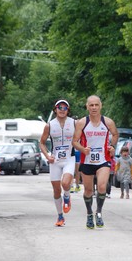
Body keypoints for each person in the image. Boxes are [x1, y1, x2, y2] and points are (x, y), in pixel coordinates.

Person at [73, 95, 118, 228]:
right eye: (91, 105)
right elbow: (74, 141)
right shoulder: (82, 123)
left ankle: (98, 212)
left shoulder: (108, 122)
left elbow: (115, 134)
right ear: (87, 106)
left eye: (96, 105)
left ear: (100, 106)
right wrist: (82, 149)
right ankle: (89, 213)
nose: (94, 108)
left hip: (103, 160)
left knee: (102, 186)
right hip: (87, 160)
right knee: (88, 191)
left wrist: (112, 146)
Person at [40, 99, 76, 227]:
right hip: (55, 160)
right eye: (59, 107)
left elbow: (83, 137)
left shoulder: (74, 123)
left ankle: (67, 196)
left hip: (69, 159)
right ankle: (60, 216)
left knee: (65, 183)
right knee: (56, 190)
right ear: (55, 110)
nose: (62, 110)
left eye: (64, 108)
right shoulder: (49, 125)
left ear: (68, 110)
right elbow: (42, 143)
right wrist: (47, 156)